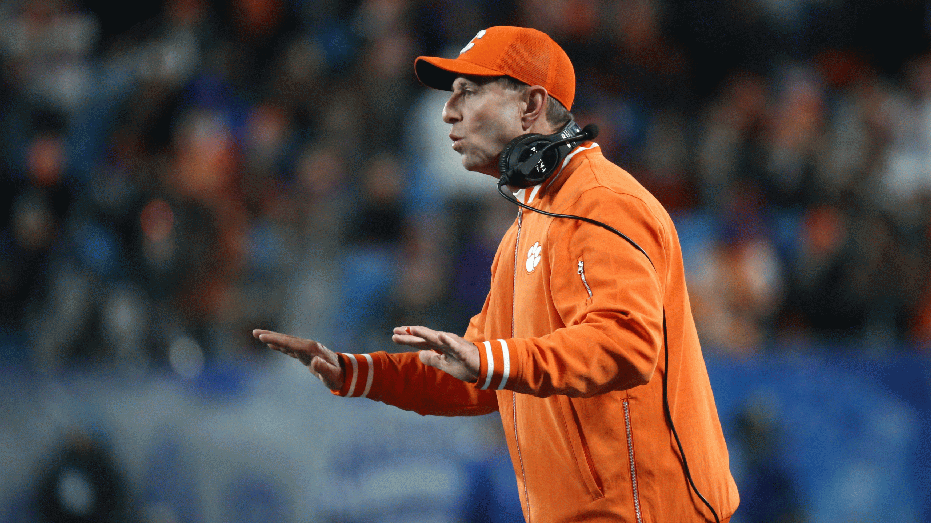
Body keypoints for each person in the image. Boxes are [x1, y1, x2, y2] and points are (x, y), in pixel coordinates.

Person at [254, 26, 740, 522]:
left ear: (530, 105)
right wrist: (358, 371)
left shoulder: (601, 202)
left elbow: (627, 345)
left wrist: (492, 360)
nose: (448, 110)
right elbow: (476, 375)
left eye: (469, 91)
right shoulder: (526, 228)